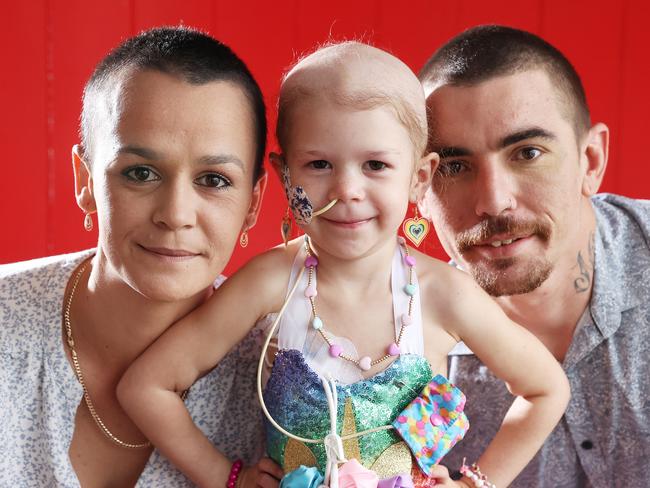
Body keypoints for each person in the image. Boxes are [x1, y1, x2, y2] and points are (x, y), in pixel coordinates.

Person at [118, 41, 570, 488]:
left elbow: (547, 389)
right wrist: (224, 477)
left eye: (375, 165)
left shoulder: (444, 294)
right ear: (285, 175)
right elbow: (146, 386)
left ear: (419, 179)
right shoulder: (272, 281)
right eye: (318, 164)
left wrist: (478, 484)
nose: (347, 190)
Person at [0, 26, 275, 487]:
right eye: (141, 172)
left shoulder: (285, 370)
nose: (175, 214)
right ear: (85, 180)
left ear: (253, 203)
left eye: (213, 180)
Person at [418, 25, 650, 487]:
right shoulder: (403, 353)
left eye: (527, 152)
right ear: (418, 186)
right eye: (455, 167)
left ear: (591, 161)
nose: (493, 201)